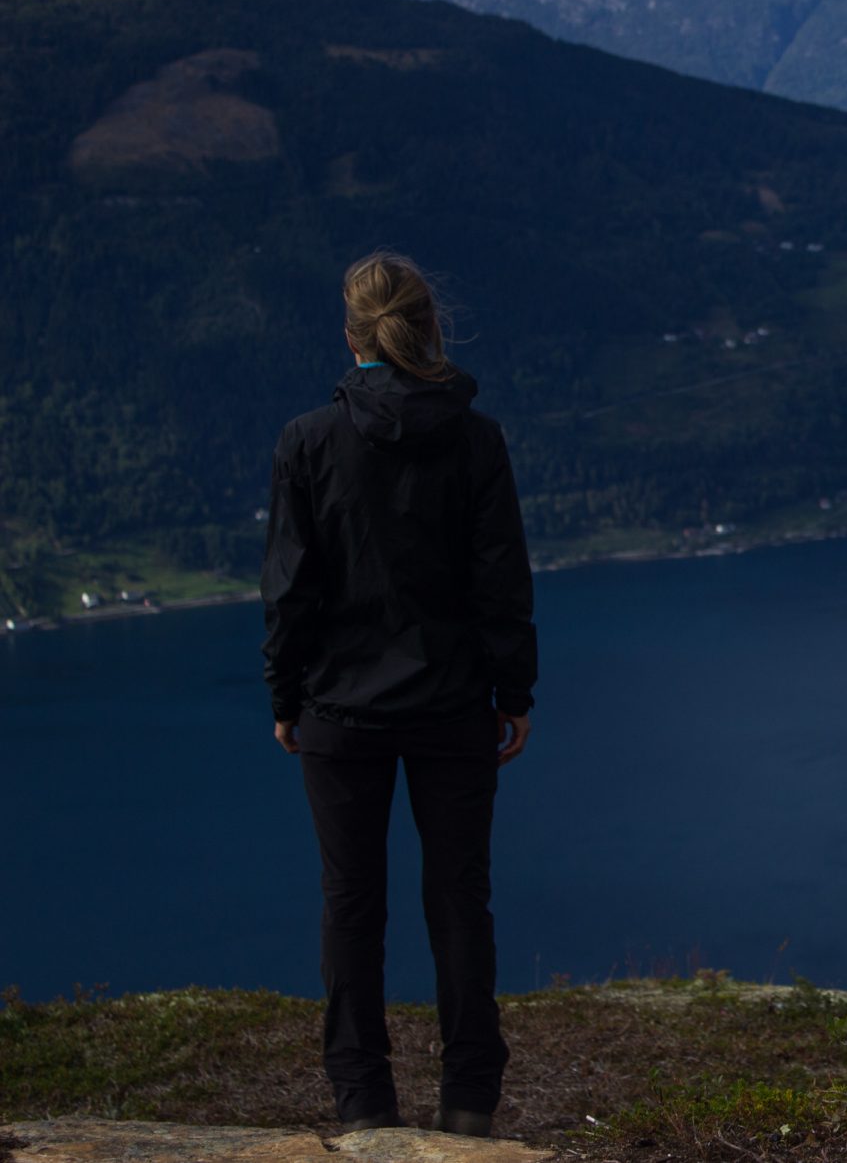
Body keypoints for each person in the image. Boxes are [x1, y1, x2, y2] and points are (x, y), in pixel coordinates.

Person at [261, 250, 538, 1138]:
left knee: (352, 902)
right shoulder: (478, 438)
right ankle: (467, 1101)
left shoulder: (308, 441)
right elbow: (503, 582)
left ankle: (364, 1103)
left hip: (339, 712)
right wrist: (513, 689)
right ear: (430, 328)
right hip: (455, 706)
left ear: (351, 339)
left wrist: (284, 693)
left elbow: (290, 589)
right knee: (460, 897)